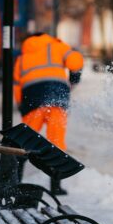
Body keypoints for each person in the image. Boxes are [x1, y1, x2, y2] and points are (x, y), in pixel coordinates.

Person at [13, 32, 84, 195]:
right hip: (56, 95)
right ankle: (56, 186)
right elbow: (76, 61)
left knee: (25, 140)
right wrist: (75, 79)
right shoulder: (57, 46)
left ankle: (16, 181)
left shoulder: (21, 59)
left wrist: (22, 107)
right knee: (56, 140)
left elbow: (17, 86)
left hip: (32, 98)